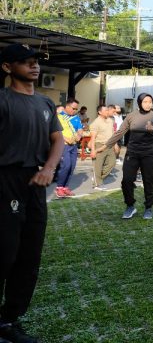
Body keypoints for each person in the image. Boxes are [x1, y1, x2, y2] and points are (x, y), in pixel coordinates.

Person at [0, 43, 64, 343]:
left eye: (35, 61)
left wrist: (49, 169)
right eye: (25, 62)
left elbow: (58, 140)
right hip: (5, 179)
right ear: (7, 67)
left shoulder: (46, 104)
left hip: (37, 181)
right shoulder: (2, 100)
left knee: (29, 254)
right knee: (5, 253)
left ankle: (9, 321)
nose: (34, 66)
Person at [97, 93, 153, 220]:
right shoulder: (131, 116)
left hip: (149, 153)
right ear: (139, 102)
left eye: (150, 101)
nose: (148, 104)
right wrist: (106, 146)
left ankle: (148, 208)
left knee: (148, 180)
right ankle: (130, 206)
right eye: (145, 101)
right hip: (132, 152)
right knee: (127, 180)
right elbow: (120, 132)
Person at [54, 98, 83, 198]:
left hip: (74, 145)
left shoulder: (76, 117)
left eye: (76, 109)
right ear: (67, 106)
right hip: (63, 145)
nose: (75, 111)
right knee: (65, 165)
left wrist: (79, 135)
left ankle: (66, 187)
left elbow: (80, 129)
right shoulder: (58, 117)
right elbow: (55, 131)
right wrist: (65, 139)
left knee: (72, 166)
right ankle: (59, 188)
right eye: (73, 108)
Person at [89, 104, 117, 191]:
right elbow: (93, 138)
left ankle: (97, 177)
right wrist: (93, 150)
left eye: (108, 110)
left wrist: (115, 144)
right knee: (97, 165)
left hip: (109, 145)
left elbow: (113, 134)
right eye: (106, 110)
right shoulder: (95, 123)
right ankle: (97, 184)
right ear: (100, 112)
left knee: (112, 163)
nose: (107, 112)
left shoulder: (110, 120)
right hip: (99, 145)